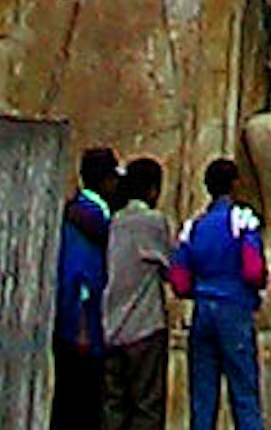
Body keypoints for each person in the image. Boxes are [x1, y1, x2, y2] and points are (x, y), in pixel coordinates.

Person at [178, 159, 270, 430]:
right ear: (234, 184)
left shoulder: (194, 226)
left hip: (203, 309)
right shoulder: (242, 221)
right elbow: (254, 270)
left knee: (203, 396)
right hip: (234, 307)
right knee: (243, 392)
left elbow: (180, 280)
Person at [103, 159, 181, 430]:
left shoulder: (113, 221)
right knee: (146, 407)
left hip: (110, 327)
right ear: (152, 190)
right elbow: (173, 268)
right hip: (144, 327)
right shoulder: (153, 223)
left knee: (113, 407)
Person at [56, 154, 115, 430]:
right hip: (82, 328)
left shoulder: (77, 214)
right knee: (80, 407)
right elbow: (80, 276)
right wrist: (81, 326)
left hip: (75, 326)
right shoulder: (91, 220)